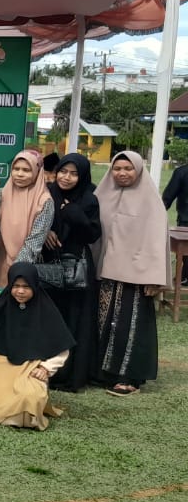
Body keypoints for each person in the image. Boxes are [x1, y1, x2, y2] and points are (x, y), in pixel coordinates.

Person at [95, 151, 167, 396]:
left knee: (130, 326)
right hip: (105, 275)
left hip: (136, 277)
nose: (122, 173)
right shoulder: (102, 195)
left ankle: (128, 377)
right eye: (117, 169)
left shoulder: (150, 201)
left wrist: (155, 278)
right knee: (103, 323)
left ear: (138, 170)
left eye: (128, 168)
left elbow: (157, 240)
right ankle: (103, 373)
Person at [0, 264, 73, 430]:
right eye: (16, 286)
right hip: (2, 364)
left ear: (34, 285)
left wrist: (46, 368)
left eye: (26, 286)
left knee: (30, 400)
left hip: (31, 366)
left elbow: (61, 345)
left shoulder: (45, 309)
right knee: (3, 413)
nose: (20, 291)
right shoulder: (1, 306)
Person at [40, 153, 102, 391]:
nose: (66, 177)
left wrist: (75, 214)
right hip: (49, 262)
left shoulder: (89, 199)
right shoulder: (47, 193)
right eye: (63, 172)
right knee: (50, 316)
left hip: (76, 265)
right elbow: (33, 217)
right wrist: (45, 230)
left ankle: (72, 374)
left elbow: (93, 235)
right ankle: (46, 370)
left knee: (75, 319)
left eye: (73, 174)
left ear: (82, 176)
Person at [0, 150, 54, 290]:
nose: (20, 174)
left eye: (26, 170)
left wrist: (17, 271)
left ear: (37, 172)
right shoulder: (1, 194)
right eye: (16, 169)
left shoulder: (44, 201)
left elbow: (34, 242)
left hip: (23, 267)